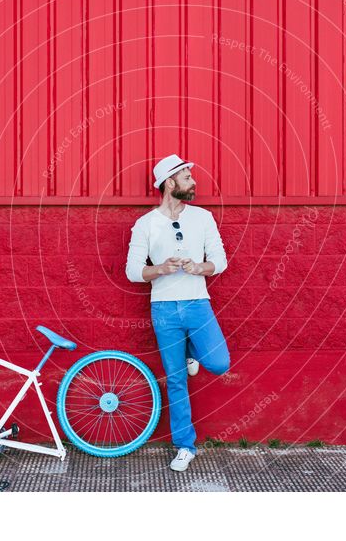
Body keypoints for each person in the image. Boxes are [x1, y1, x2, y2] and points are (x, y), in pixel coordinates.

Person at [125, 154, 230, 471]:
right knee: (175, 380)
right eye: (186, 177)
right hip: (164, 310)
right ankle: (185, 446)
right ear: (169, 183)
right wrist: (160, 269)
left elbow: (220, 261)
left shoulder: (203, 218)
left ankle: (193, 353)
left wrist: (200, 267)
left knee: (219, 362)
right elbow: (132, 271)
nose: (193, 181)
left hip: (198, 303)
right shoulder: (145, 225)